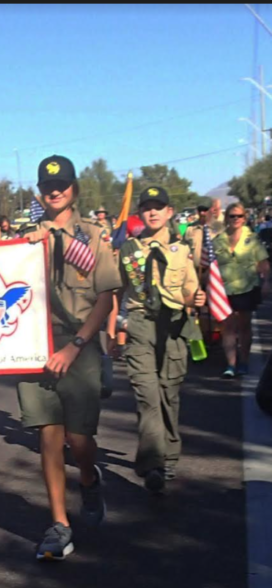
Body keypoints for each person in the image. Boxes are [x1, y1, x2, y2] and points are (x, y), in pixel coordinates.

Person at [18, 156, 121, 561]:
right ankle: (59, 525)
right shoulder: (26, 240)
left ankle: (89, 480)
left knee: (79, 440)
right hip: (35, 345)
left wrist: (75, 345)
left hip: (78, 344)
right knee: (48, 435)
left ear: (73, 188)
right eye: (46, 185)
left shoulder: (92, 237)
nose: (54, 191)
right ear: (40, 192)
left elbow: (105, 297)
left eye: (61, 184)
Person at [118, 187, 206, 494]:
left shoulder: (182, 251)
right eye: (147, 207)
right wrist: (115, 330)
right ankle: (153, 464)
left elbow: (190, 293)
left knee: (169, 396)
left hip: (173, 326)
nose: (152, 212)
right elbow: (118, 293)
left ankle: (168, 456)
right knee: (147, 395)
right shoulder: (128, 250)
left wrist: (196, 298)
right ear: (140, 213)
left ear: (170, 212)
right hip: (141, 325)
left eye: (159, 207)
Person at [213, 203, 271, 378]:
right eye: (232, 216)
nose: (236, 219)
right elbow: (211, 265)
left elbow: (263, 263)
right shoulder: (218, 240)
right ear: (226, 218)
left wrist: (267, 282)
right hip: (224, 289)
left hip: (247, 287)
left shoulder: (252, 239)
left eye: (239, 216)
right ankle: (231, 364)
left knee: (244, 326)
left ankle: (244, 360)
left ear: (244, 218)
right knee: (228, 327)